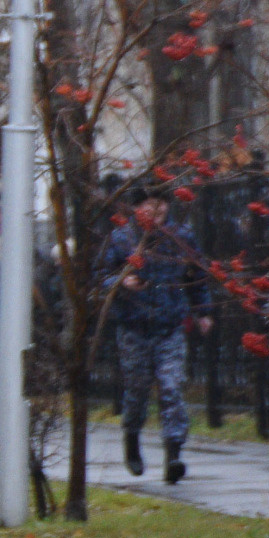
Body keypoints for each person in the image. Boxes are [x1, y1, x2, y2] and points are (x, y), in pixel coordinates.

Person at [99, 189, 213, 483]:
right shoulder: (122, 238)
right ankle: (132, 437)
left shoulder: (180, 237)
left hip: (169, 325)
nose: (155, 210)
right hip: (134, 327)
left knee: (172, 387)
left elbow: (197, 276)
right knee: (137, 390)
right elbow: (101, 277)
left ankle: (173, 452)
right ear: (138, 208)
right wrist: (122, 281)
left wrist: (203, 311)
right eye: (149, 205)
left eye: (160, 205)